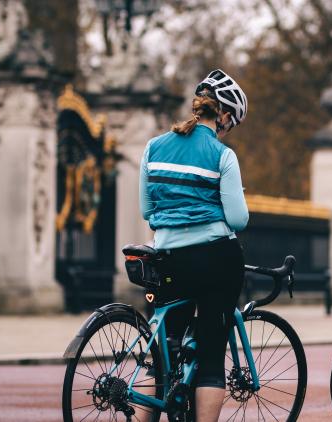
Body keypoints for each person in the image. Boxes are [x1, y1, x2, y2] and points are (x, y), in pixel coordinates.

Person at [139, 69, 249, 421]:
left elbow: (146, 209)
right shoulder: (222, 155)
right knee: (213, 352)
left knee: (160, 355)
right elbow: (238, 220)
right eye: (232, 123)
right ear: (225, 116)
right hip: (214, 259)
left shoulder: (153, 147)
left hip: (167, 257)